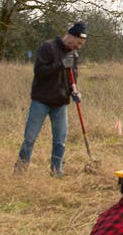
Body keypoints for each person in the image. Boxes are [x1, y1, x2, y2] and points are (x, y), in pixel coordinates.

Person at [17, 22, 88, 178]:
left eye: (81, 44)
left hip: (61, 103)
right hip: (41, 101)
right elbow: (40, 71)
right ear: (71, 36)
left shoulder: (74, 55)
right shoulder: (47, 47)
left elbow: (72, 78)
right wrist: (61, 65)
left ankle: (56, 173)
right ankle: (19, 173)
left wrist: (74, 92)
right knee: (30, 139)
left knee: (60, 141)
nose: (78, 47)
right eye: (78, 43)